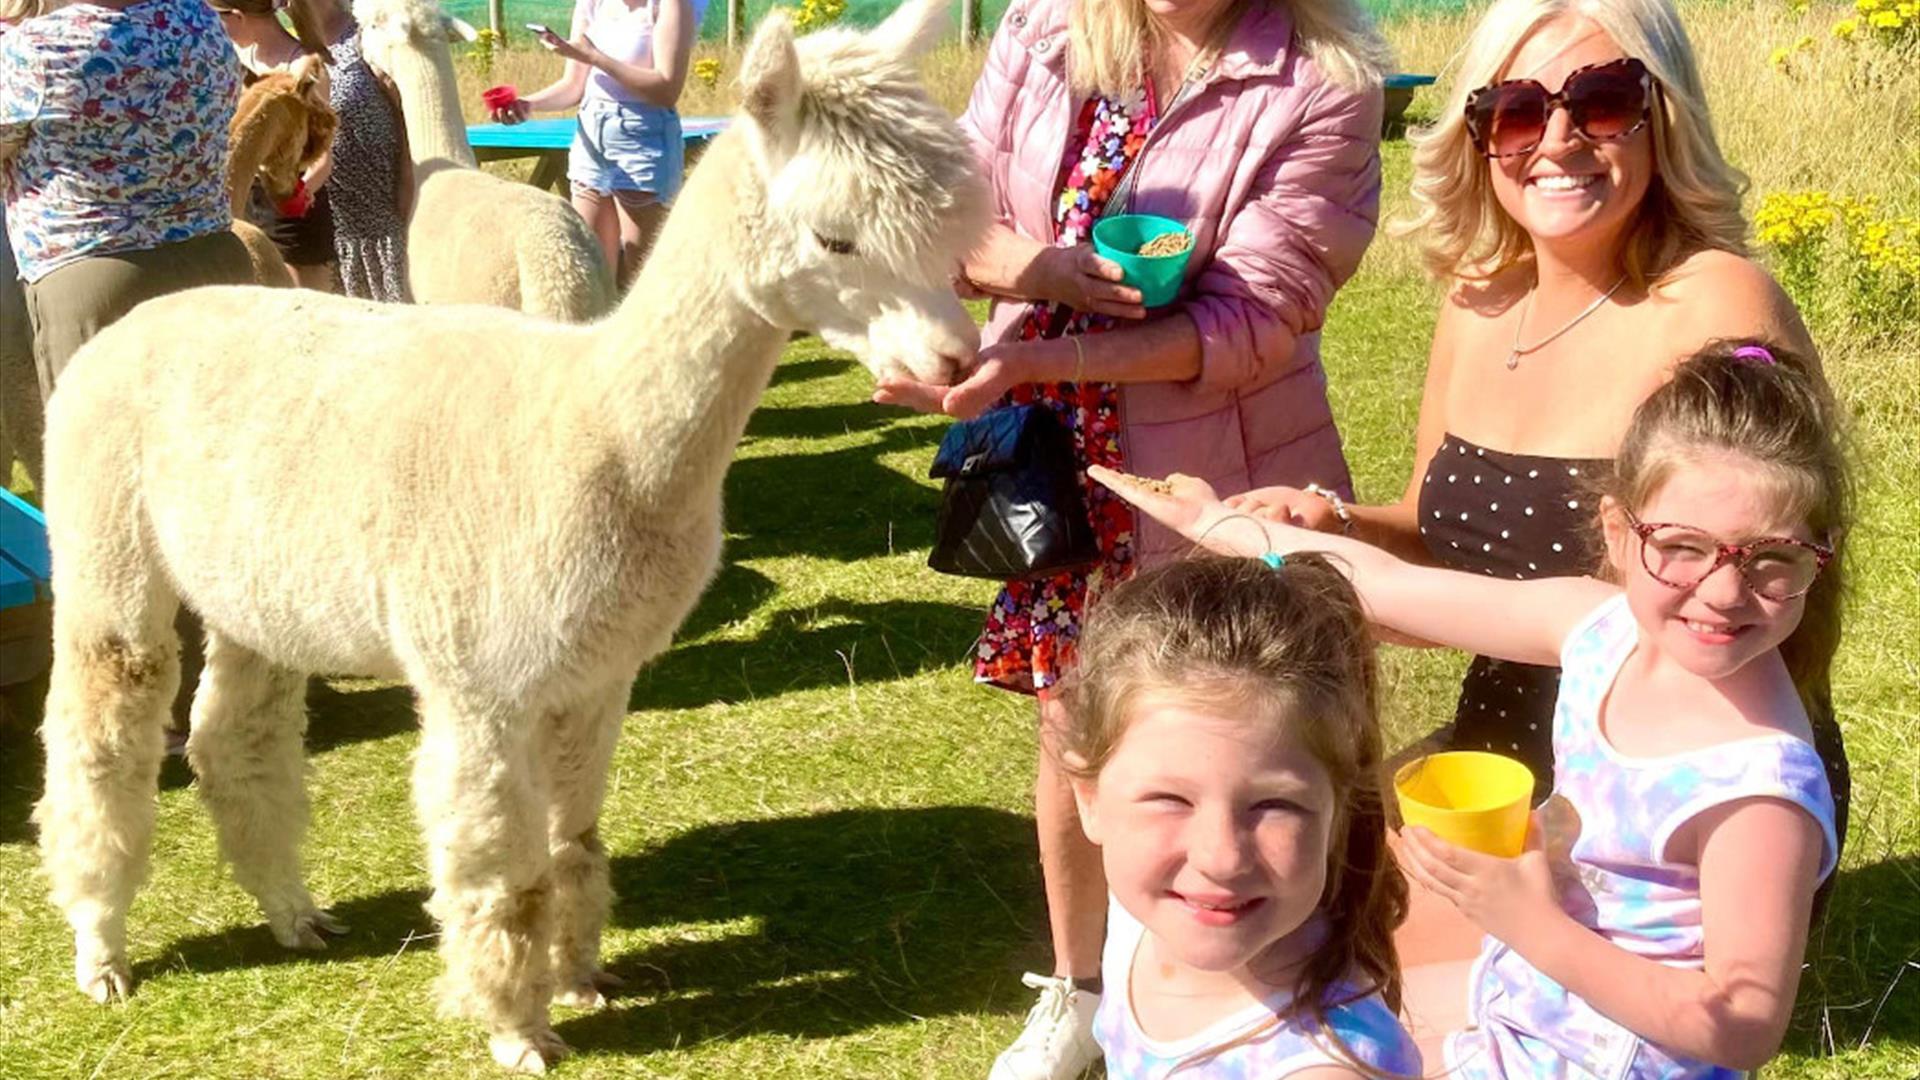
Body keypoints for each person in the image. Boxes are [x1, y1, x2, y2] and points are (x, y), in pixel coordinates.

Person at [1095, 338, 1848, 1076]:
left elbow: (1742, 1027)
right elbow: (1389, 586)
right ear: (1619, 533)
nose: (1721, 591)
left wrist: (1529, 924)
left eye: (1770, 559)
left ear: (1822, 555)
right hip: (1532, 1007)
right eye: (1682, 547)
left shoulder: (1758, 787)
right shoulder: (1605, 631)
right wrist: (1220, 527)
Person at [877, 1, 1390, 1072]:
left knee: (1261, 736)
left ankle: (1296, 999)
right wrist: (1031, 278)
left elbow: (1255, 322)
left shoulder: (1325, 81)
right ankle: (1084, 990)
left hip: (1214, 475)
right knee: (1082, 729)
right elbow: (949, 208)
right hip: (1054, 462)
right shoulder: (1047, 26)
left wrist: (1032, 360)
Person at [1221, 0, 1843, 825]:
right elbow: (1437, 532)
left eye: (1604, 102)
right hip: (1502, 753)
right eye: (1514, 112)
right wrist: (1335, 525)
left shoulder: (1717, 307)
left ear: (1666, 116)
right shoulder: (1479, 304)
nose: (1555, 143)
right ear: (1478, 139)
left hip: (1678, 779)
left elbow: (1766, 582)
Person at [1058, 554, 1420, 1078]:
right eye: (1170, 800)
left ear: (1338, 810)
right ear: (1090, 799)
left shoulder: (1322, 1068)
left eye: (1274, 805)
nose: (1220, 858)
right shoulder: (1142, 914)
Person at [1, 0, 253, 400]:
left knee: (104, 455)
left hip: (98, 281)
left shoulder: (35, 49)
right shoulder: (202, 22)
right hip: (214, 263)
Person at [487, 0, 702, 288]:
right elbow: (573, 86)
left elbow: (666, 89)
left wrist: (595, 57)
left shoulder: (670, 6)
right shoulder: (592, 4)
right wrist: (527, 105)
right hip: (591, 139)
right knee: (591, 271)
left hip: (642, 141)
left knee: (644, 277)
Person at [289, 0, 411, 301]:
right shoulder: (292, 51)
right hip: (329, 230)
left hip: (384, 221)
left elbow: (409, 112)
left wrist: (410, 180)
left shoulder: (369, 36)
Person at [210, 0, 336, 291]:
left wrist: (295, 196)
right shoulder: (233, 57)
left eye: (219, 18)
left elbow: (322, 156)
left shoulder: (303, 66)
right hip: (244, 202)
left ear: (238, 17)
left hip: (290, 214)